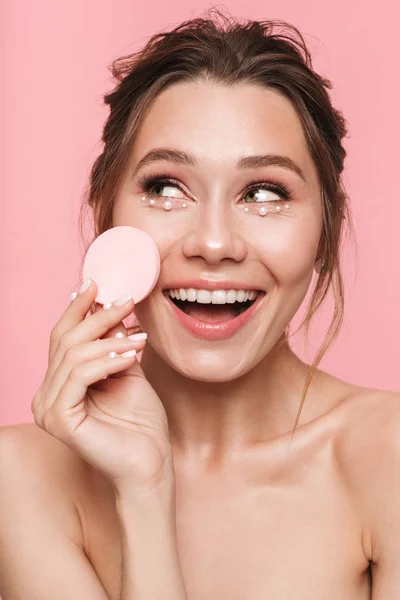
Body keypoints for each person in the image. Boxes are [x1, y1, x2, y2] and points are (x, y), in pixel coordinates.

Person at [1, 8, 399, 599]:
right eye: (165, 187)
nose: (213, 243)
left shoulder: (387, 457)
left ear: (326, 229)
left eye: (265, 193)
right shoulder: (20, 479)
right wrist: (144, 486)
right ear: (107, 209)